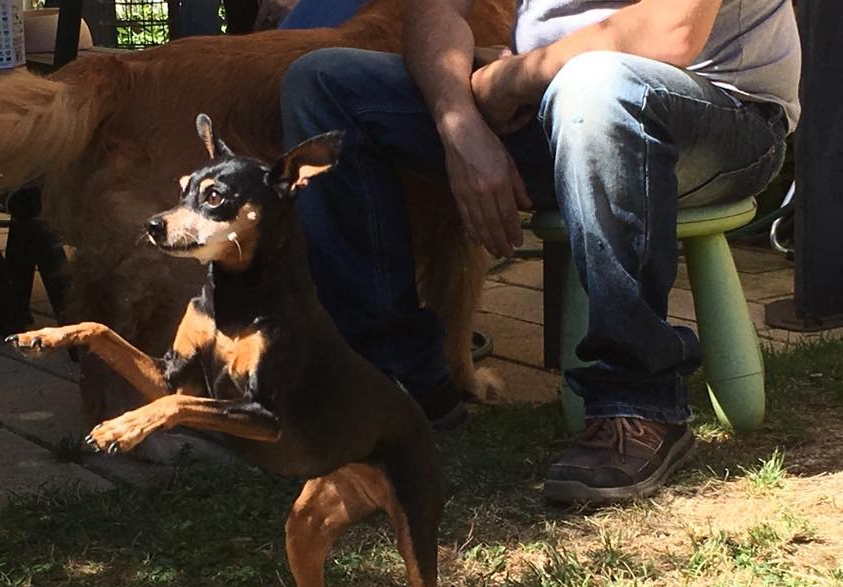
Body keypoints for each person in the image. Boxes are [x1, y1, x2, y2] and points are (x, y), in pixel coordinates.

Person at [280, 0, 801, 501]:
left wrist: (510, 79)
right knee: (321, 83)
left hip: (720, 113)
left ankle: (636, 404)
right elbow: (433, 8)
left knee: (595, 84)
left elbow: (673, 30)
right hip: (544, 99)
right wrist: (459, 124)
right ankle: (397, 387)